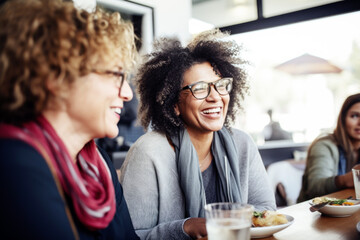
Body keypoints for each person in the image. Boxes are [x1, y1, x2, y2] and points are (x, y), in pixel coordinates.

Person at [0, 0, 140, 239]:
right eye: (116, 75)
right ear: (57, 75)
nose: (128, 93)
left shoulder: (100, 165)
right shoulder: (15, 165)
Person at [119, 29, 276, 240]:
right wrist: (185, 228)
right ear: (175, 104)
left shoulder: (242, 144)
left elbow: (266, 212)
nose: (215, 97)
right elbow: (130, 236)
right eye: (200, 89)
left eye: (221, 86)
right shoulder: (148, 153)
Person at [298, 93, 360, 202]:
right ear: (342, 119)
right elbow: (314, 187)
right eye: (354, 116)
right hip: (313, 213)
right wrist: (347, 180)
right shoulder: (324, 145)